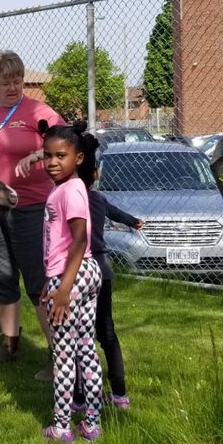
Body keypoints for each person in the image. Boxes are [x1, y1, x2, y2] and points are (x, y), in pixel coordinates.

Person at [0, 50, 63, 378]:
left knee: (37, 282)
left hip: (30, 206)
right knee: (1, 277)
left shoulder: (38, 112)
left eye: (18, 81)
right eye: (5, 82)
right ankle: (10, 344)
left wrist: (38, 154)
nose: (12, 87)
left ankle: (56, 354)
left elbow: (67, 144)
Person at [38, 120, 104, 443]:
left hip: (73, 276)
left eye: (60, 156)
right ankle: (92, 424)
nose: (52, 162)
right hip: (77, 274)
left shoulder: (72, 191)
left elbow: (79, 240)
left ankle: (62, 427)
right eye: (47, 156)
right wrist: (47, 284)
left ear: (78, 158)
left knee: (64, 354)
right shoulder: (62, 189)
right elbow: (57, 241)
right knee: (85, 348)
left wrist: (62, 288)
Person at [75, 146, 143, 410]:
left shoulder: (63, 199)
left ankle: (79, 398)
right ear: (95, 173)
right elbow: (116, 213)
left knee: (78, 335)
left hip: (76, 273)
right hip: (102, 271)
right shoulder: (98, 199)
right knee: (107, 332)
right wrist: (134, 221)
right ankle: (119, 394)